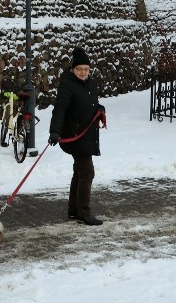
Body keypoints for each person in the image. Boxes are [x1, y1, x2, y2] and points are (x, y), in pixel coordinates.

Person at [48, 47, 106, 226]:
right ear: (73, 69)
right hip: (75, 135)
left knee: (79, 172)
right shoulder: (68, 84)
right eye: (80, 69)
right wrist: (55, 131)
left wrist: (99, 109)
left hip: (87, 134)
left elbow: (89, 104)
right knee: (87, 172)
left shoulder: (91, 83)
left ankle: (74, 209)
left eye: (86, 69)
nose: (83, 72)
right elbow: (60, 108)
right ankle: (84, 212)